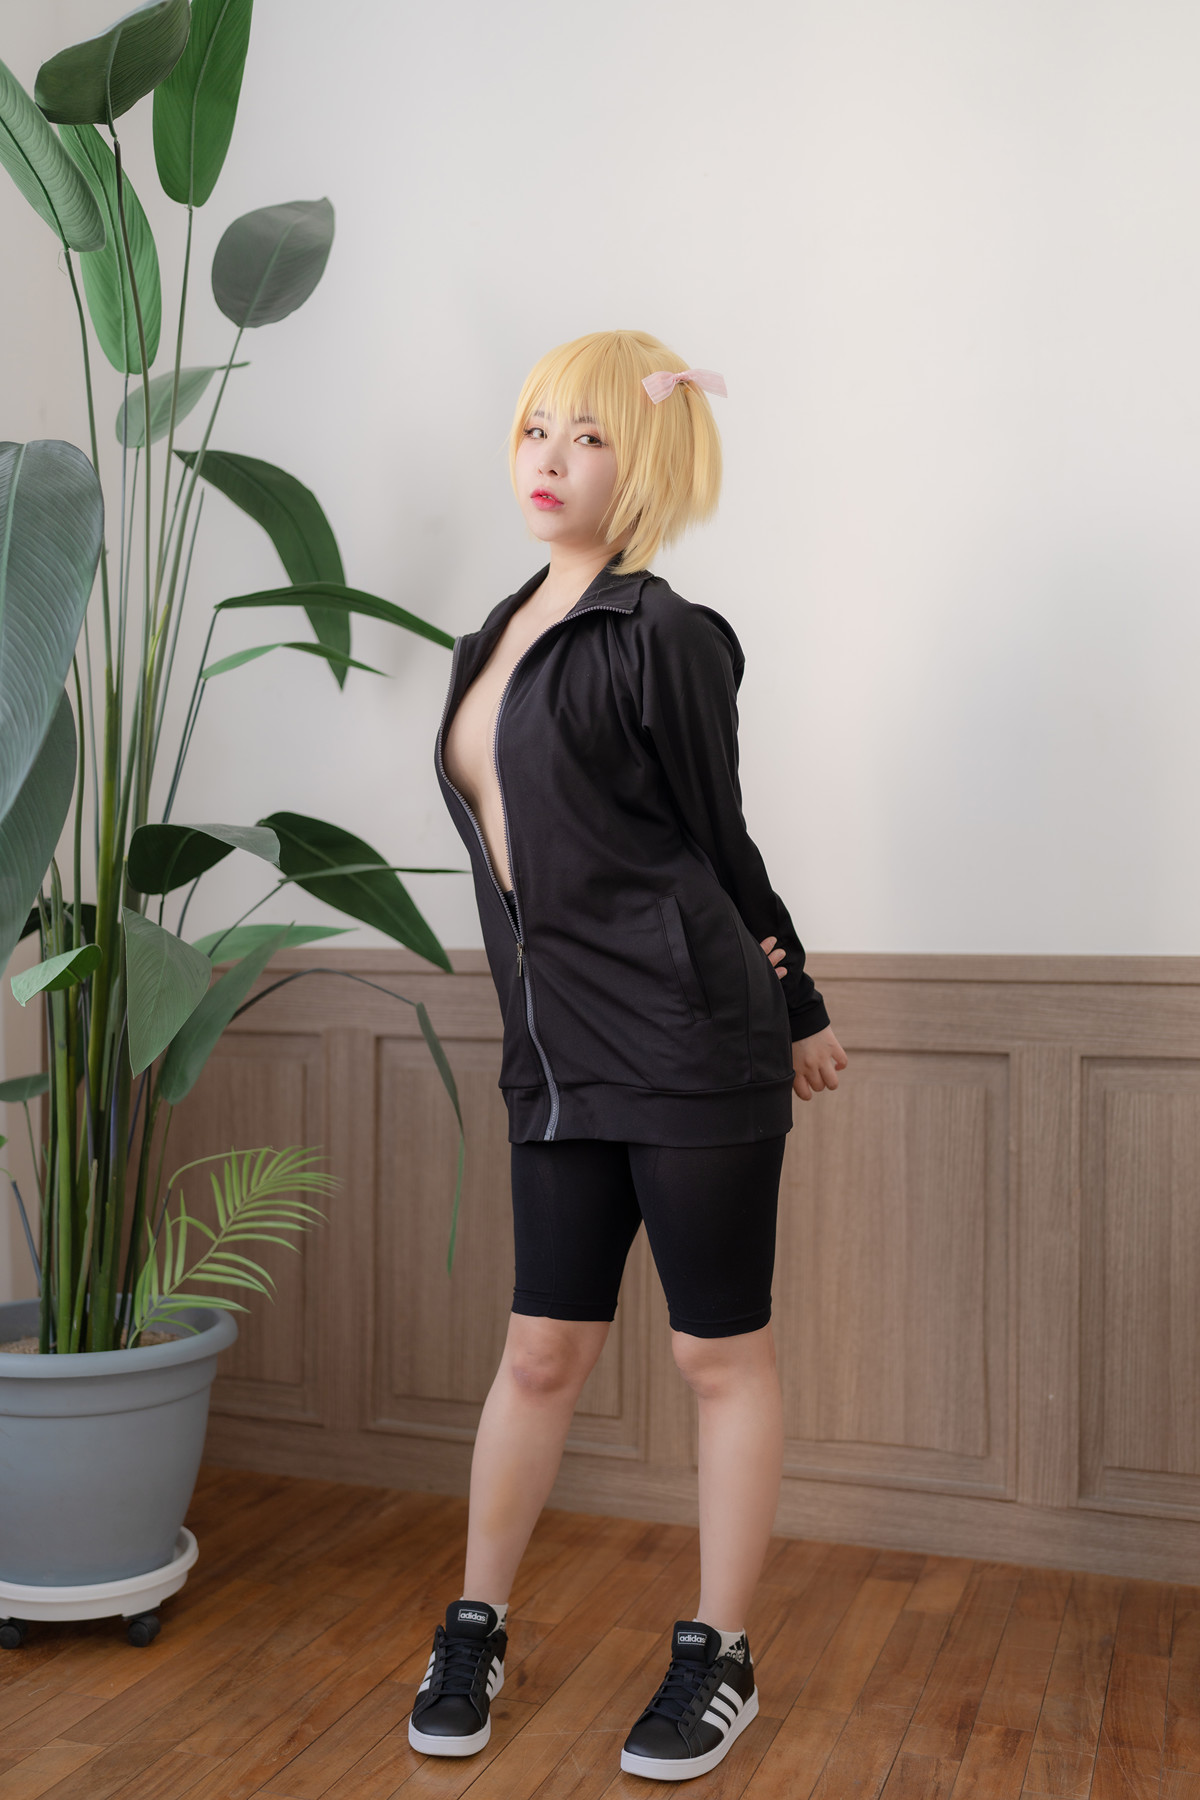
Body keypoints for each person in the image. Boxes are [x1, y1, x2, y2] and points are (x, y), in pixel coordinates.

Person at [410, 328, 848, 1782]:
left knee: (715, 1353)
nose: (551, 458)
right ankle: (476, 1625)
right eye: (539, 426)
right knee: (540, 1350)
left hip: (686, 1036)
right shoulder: (489, 638)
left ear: (645, 459)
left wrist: (795, 1002)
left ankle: (720, 1655)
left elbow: (722, 846)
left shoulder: (664, 633)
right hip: (553, 1051)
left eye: (590, 435)